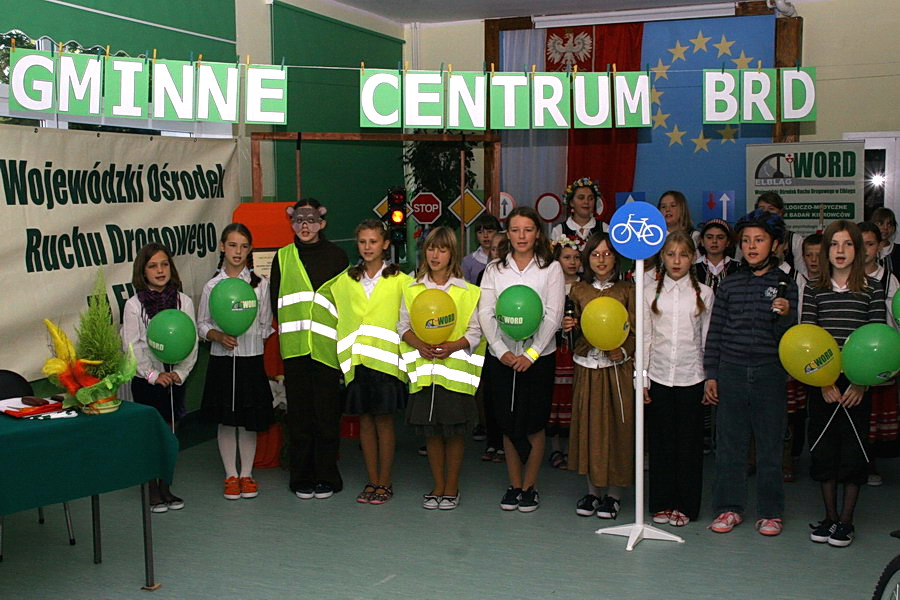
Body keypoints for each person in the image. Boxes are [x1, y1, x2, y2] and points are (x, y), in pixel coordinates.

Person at [704, 209, 797, 537]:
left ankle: (771, 512)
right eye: (746, 241)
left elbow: (791, 339)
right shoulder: (729, 284)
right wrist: (711, 374)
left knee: (770, 445)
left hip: (769, 373)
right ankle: (729, 508)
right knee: (729, 444)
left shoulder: (785, 284)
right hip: (730, 371)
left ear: (774, 244)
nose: (752, 246)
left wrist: (786, 316)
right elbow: (715, 331)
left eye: (759, 240)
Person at [802, 220, 886, 547]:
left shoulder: (873, 288)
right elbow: (808, 337)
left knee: (854, 450)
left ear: (859, 249)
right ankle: (829, 517)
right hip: (823, 380)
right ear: (826, 250)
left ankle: (846, 521)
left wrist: (862, 382)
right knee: (824, 450)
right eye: (834, 244)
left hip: (857, 382)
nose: (840, 251)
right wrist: (822, 382)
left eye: (848, 244)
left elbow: (876, 339)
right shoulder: (813, 288)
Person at [479, 206, 564, 513]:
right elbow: (485, 313)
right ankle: (513, 485)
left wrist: (531, 354)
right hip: (502, 356)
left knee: (533, 423)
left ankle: (529, 487)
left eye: (527, 229)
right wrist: (502, 351)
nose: (521, 236)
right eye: (515, 230)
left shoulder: (550, 269)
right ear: (508, 234)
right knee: (507, 421)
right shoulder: (494, 269)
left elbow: (553, 315)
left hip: (538, 357)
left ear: (537, 233)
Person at [269, 198, 349, 500]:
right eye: (299, 220)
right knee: (299, 417)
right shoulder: (283, 257)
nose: (305, 226)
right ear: (291, 223)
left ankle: (327, 475)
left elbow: (346, 303)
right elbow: (276, 302)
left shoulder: (338, 257)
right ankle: (301, 476)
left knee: (327, 416)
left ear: (322, 223)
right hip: (295, 350)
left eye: (311, 220)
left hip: (327, 351)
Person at [401, 227, 485, 510]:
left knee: (454, 432)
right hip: (426, 373)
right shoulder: (412, 289)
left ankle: (452, 487)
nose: (435, 255)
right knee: (432, 432)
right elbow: (403, 326)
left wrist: (453, 346)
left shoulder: (468, 292)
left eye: (443, 249)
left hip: (455, 374)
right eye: (431, 248)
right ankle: (437, 485)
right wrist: (418, 343)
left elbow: (476, 331)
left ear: (452, 254)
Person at [332, 219, 410, 505]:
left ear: (385, 244)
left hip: (387, 363)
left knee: (385, 421)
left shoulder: (402, 280)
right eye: (363, 241)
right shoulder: (346, 280)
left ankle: (385, 482)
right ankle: (372, 480)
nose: (367, 247)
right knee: (365, 421)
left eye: (373, 241)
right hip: (359, 362)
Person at [198, 224, 275, 501]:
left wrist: (249, 338)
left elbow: (266, 324)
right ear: (222, 247)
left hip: (251, 361)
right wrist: (218, 335)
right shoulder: (212, 287)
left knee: (248, 419)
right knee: (227, 421)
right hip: (222, 360)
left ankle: (247, 475)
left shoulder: (260, 285)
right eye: (232, 245)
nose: (237, 252)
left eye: (243, 246)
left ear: (250, 250)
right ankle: (231, 475)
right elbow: (202, 324)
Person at [644, 231, 714, 527]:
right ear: (662, 256)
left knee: (689, 447)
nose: (676, 260)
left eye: (683, 255)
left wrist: (709, 378)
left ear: (693, 258)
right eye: (671, 254)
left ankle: (686, 506)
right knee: (661, 445)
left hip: (691, 379)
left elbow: (708, 340)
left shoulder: (705, 294)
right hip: (659, 377)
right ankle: (661, 502)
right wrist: (642, 380)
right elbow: (646, 338)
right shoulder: (648, 292)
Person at [563, 233, 636, 520]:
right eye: (595, 254)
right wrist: (570, 327)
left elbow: (637, 328)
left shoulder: (627, 289)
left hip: (616, 370)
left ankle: (615, 495)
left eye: (607, 254)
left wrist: (626, 350)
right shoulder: (578, 291)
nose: (602, 259)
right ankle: (593, 490)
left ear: (616, 257)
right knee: (590, 427)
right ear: (587, 259)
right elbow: (574, 332)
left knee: (618, 427)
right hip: (587, 367)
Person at [122, 242, 198, 513]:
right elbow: (131, 348)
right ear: (143, 271)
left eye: (164, 264)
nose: (160, 270)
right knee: (151, 436)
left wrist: (182, 372)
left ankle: (166, 486)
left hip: (174, 380)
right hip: (148, 382)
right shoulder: (134, 305)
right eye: (153, 265)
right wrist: (153, 375)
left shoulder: (183, 301)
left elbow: (191, 340)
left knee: (169, 434)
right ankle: (151, 489)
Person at [858, 221, 898, 487]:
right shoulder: (843, 276)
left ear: (880, 247)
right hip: (851, 357)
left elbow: (894, 319)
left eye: (870, 244)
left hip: (878, 355)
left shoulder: (888, 279)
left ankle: (870, 462)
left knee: (872, 414)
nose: (864, 250)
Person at [546, 236, 581, 470]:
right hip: (555, 348)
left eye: (577, 258)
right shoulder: (550, 284)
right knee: (554, 398)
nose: (572, 262)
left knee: (573, 397)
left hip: (576, 350)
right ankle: (555, 449)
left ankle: (572, 450)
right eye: (567, 257)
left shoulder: (584, 286)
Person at [478, 231, 507, 464]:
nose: (495, 253)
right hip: (488, 345)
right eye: (493, 249)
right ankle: (493, 442)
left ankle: (508, 443)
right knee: (491, 395)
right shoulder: (482, 274)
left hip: (513, 343)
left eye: (501, 248)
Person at [755, 192, 806, 276]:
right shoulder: (747, 238)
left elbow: (801, 272)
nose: (766, 213)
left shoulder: (794, 239)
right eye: (761, 208)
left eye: (771, 209)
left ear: (781, 213)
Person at [550, 177, 607, 250]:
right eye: (581, 198)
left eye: (590, 198)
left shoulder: (604, 228)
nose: (586, 202)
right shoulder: (559, 230)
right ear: (571, 202)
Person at [694, 219, 740, 295]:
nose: (714, 241)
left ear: (728, 242)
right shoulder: (693, 268)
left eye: (720, 237)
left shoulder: (738, 267)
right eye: (709, 237)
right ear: (702, 241)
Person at [462, 213, 501, 284]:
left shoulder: (508, 258)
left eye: (490, 232)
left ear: (498, 232)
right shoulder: (468, 261)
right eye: (480, 232)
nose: (485, 236)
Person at [872, 207, 900, 278]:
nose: (885, 228)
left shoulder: (898, 250)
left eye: (889, 224)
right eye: (880, 224)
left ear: (894, 228)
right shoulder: (865, 250)